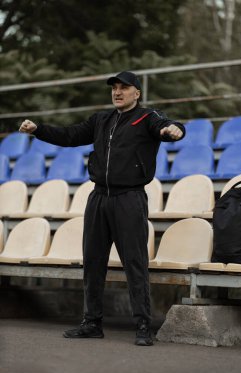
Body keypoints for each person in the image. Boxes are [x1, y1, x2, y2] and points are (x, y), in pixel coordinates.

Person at [19, 71, 185, 346]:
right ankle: (91, 322)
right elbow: (70, 135)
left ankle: (143, 324)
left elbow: (168, 127)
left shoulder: (148, 117)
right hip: (98, 198)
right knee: (93, 262)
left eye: (124, 88)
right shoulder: (101, 120)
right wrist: (39, 129)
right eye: (114, 88)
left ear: (137, 93)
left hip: (129, 198)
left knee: (135, 262)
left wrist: (175, 129)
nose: (117, 92)